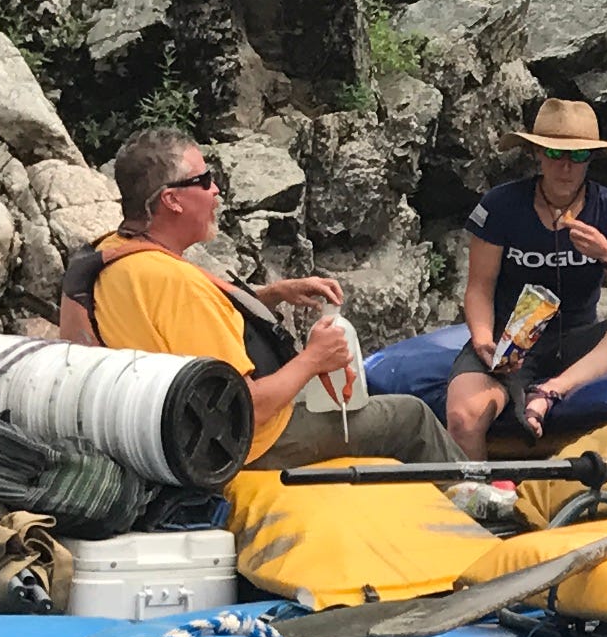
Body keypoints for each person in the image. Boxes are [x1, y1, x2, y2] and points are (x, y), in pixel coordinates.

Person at [86, 130, 451, 470]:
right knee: (411, 417)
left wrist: (272, 295)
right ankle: (478, 501)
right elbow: (245, 409)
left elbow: (173, 324)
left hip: (167, 433)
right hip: (249, 443)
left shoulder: (115, 252)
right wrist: (314, 359)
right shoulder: (176, 284)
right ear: (172, 200)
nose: (215, 191)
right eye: (203, 181)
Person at [448, 99, 607, 458]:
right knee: (464, 419)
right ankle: (478, 501)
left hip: (578, 342)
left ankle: (552, 390)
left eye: (578, 156)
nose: (566, 167)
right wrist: (483, 339)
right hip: (511, 340)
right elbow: (480, 286)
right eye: (556, 153)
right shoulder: (501, 205)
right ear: (537, 154)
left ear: (591, 160)